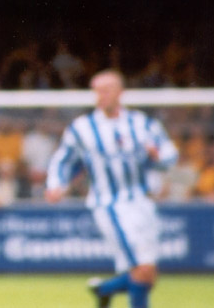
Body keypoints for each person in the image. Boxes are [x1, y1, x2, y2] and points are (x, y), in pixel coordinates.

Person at [45, 69, 178, 308]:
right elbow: (63, 160)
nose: (102, 95)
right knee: (141, 269)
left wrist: (159, 157)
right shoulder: (82, 128)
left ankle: (104, 289)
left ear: (120, 92)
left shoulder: (142, 123)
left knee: (149, 275)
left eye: (107, 90)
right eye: (97, 91)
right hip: (109, 204)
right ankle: (106, 290)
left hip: (142, 201)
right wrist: (56, 184)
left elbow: (170, 153)